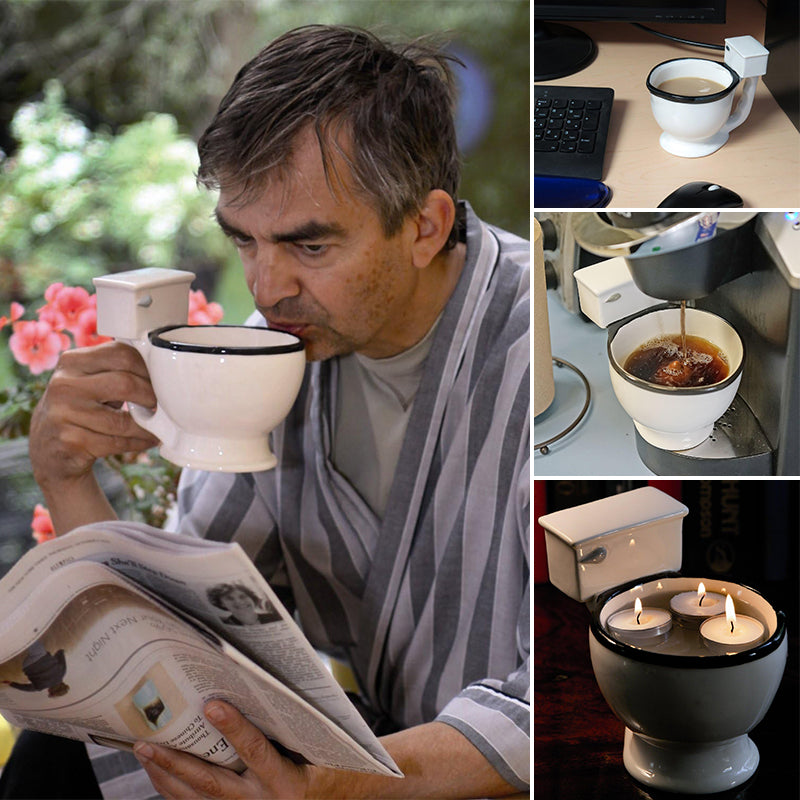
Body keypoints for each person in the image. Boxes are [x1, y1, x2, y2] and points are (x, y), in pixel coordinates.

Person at [23, 24, 529, 799]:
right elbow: (182, 638)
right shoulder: (271, 354)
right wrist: (65, 477)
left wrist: (348, 789)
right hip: (362, 752)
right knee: (50, 758)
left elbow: (582, 685)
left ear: (425, 226)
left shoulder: (554, 360)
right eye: (244, 242)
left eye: (309, 247)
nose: (265, 289)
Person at [206, 582, 281, 625]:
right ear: (222, 604)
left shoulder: (274, 618)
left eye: (243, 596)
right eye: (230, 598)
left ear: (251, 597)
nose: (239, 601)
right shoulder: (224, 624)